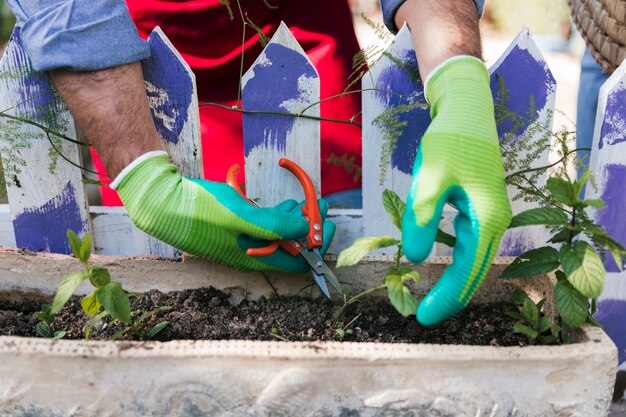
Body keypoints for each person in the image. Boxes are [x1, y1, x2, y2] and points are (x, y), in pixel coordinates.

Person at [5, 0, 511, 326]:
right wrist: (143, 177)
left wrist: (459, 79)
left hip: (313, 77)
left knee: (349, 239)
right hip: (141, 96)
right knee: (166, 274)